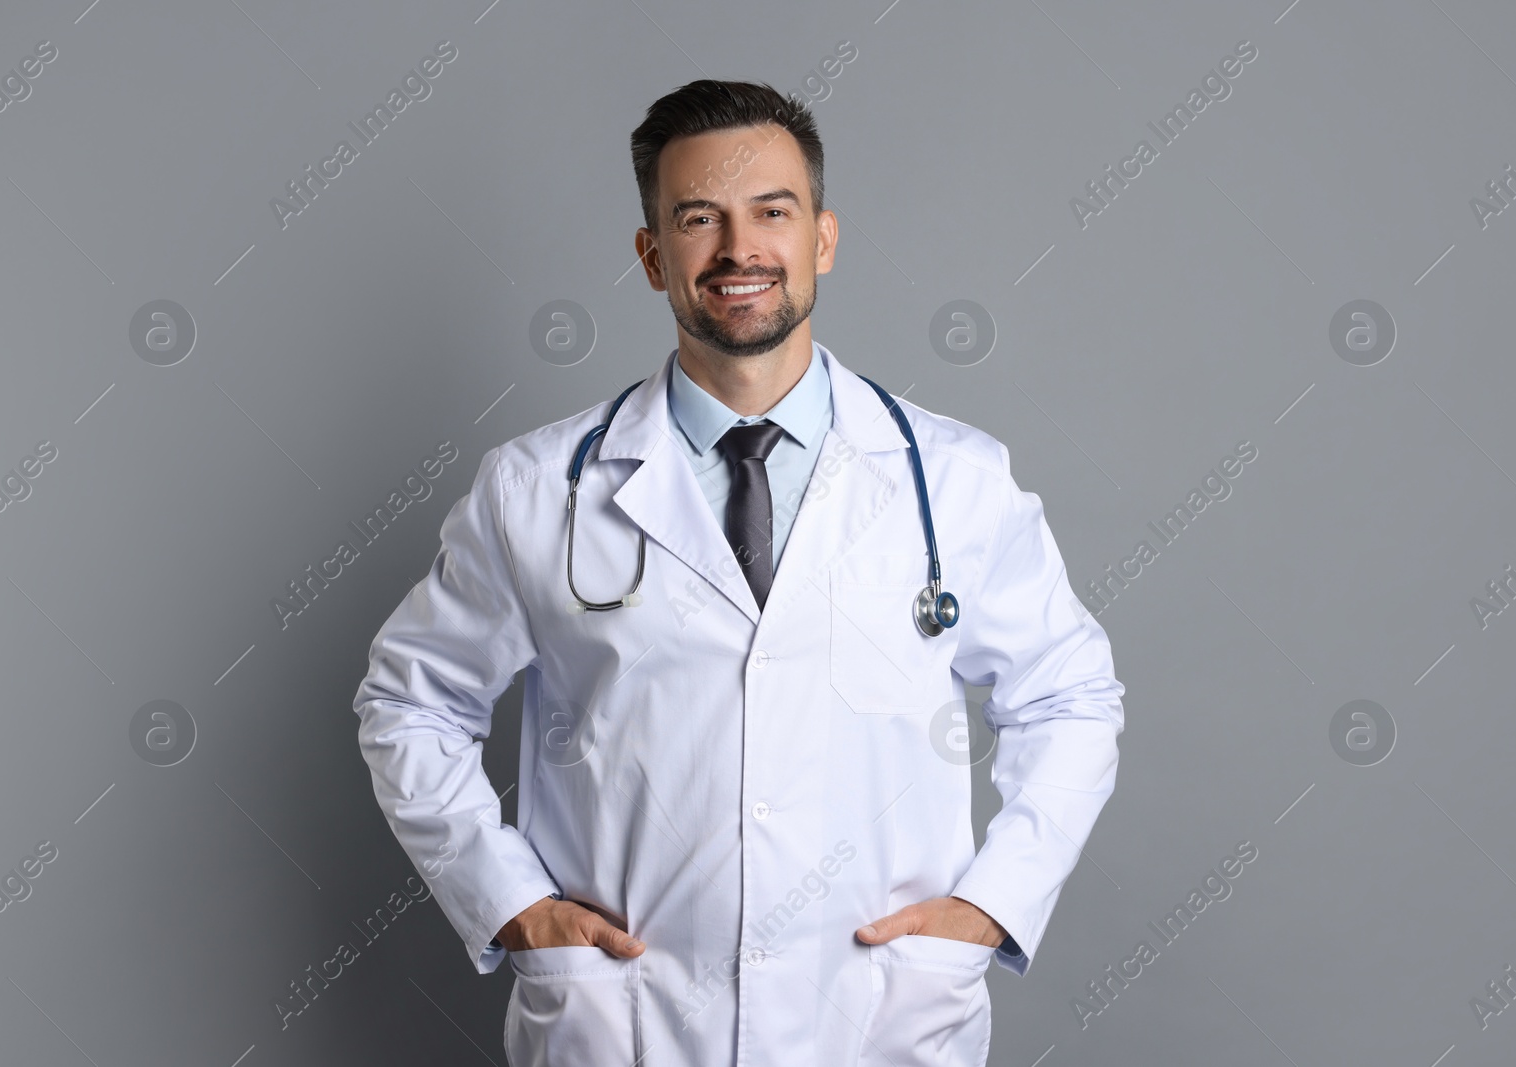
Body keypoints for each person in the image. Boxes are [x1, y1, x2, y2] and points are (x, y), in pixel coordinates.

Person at [353, 78, 1125, 1067]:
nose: (738, 250)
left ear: (823, 239)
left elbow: (1069, 697)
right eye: (696, 219)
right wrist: (511, 907)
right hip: (627, 1021)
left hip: (881, 1015)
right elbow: (408, 703)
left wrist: (990, 904)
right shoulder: (537, 488)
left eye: (772, 211)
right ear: (651, 255)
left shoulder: (955, 478)